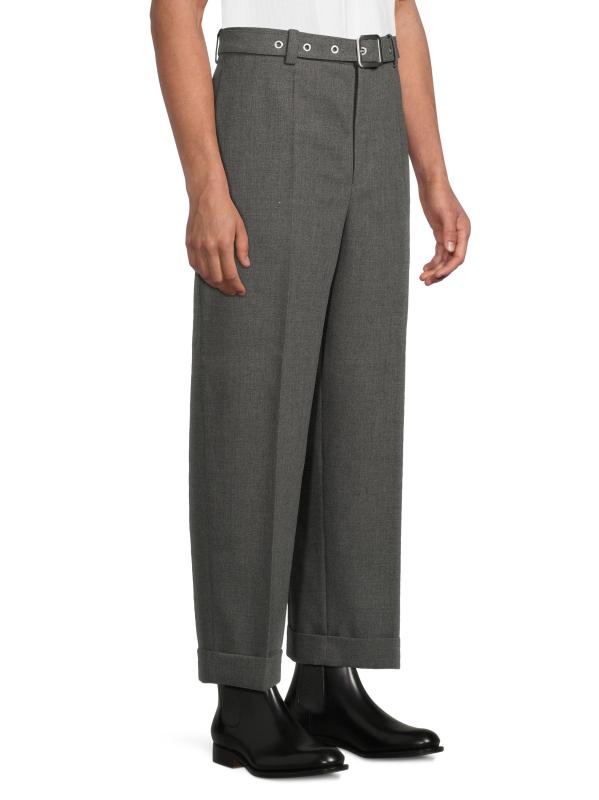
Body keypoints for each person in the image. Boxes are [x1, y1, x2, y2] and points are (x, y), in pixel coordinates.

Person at [151, 0, 470, 778]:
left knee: (361, 402)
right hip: (271, 88)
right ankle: (242, 689)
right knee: (251, 396)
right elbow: (172, 13)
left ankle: (329, 676)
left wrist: (433, 176)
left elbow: (399, 10)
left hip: (377, 96)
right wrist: (205, 185)